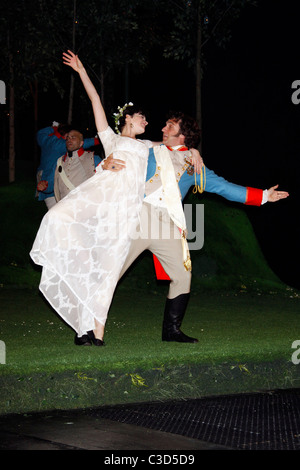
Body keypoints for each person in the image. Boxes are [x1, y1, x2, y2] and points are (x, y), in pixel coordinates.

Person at [30, 51, 202, 348]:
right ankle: (86, 328)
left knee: (107, 273)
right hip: (104, 204)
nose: (147, 120)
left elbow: (178, 146)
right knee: (56, 218)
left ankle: (93, 333)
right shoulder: (111, 139)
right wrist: (82, 70)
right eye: (141, 116)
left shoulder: (148, 146)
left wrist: (195, 152)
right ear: (127, 120)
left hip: (127, 217)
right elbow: (96, 101)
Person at [102, 111, 289, 344]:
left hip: (168, 223)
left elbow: (223, 187)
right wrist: (105, 163)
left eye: (170, 126)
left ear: (183, 135)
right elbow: (121, 152)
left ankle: (171, 331)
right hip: (140, 217)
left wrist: (262, 196)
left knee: (182, 274)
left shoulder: (193, 164)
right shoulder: (147, 150)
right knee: (112, 272)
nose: (163, 129)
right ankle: (89, 326)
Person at [36, 122, 100, 209]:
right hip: (52, 184)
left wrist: (54, 128)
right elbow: (84, 143)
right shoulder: (59, 154)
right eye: (67, 138)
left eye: (72, 137)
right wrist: (98, 140)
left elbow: (40, 133)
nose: (69, 140)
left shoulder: (46, 140)